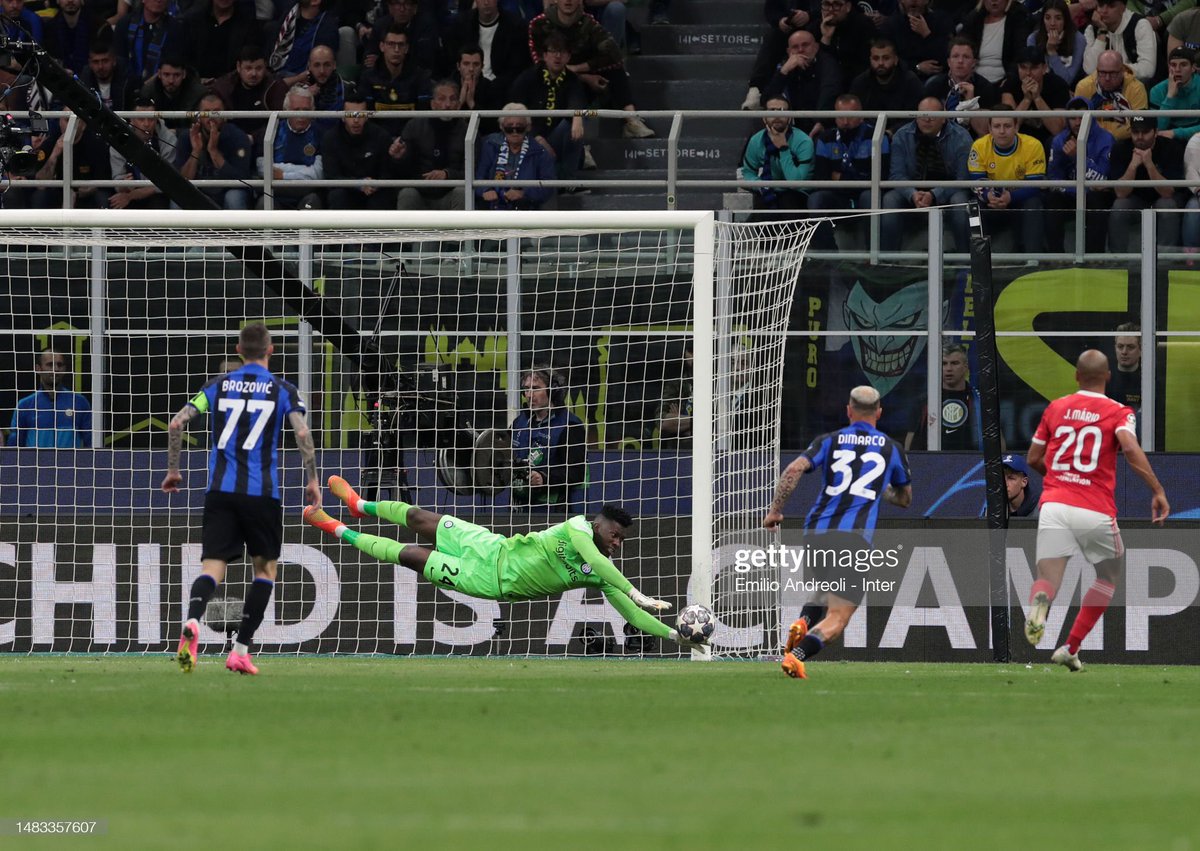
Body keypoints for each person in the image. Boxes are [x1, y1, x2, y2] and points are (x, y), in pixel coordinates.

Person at [304, 484, 708, 650]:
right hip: (491, 546)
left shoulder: (599, 571)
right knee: (421, 519)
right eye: (615, 535)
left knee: (411, 556)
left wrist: (676, 635)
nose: (617, 543)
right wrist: (637, 589)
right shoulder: (577, 529)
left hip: (486, 580)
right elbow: (597, 557)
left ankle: (337, 528)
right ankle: (361, 506)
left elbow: (632, 613)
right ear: (599, 524)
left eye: (621, 540)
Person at [163, 323, 321, 676]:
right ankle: (240, 651)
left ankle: (192, 619)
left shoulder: (217, 386)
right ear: (272, 349)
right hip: (261, 493)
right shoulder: (282, 389)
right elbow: (302, 432)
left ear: (238, 350)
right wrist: (312, 479)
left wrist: (173, 470)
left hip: (220, 491)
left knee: (213, 566)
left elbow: (176, 424)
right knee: (264, 570)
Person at [1023, 349, 1168, 671]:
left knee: (1048, 577)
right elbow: (1129, 448)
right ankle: (1071, 646)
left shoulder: (1056, 408)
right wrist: (1157, 490)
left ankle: (1041, 603)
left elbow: (1033, 458)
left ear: (1076, 376)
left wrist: (1061, 480)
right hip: (1094, 506)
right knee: (1109, 575)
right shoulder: (1120, 412)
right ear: (1108, 376)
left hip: (1055, 503)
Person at [763, 385, 912, 680]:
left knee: (823, 592)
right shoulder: (891, 448)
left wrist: (775, 511)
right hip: (853, 539)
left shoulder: (828, 441)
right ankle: (797, 655)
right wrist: (881, 491)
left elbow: (793, 470)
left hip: (815, 533)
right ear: (879, 413)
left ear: (848, 410)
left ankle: (803, 622)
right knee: (839, 616)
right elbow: (905, 498)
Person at [880, 95, 973, 253]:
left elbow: (962, 179)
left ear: (943, 117)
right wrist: (913, 194)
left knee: (961, 202)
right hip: (913, 190)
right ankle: (888, 260)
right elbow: (896, 175)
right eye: (923, 114)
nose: (927, 119)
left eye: (933, 115)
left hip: (949, 191)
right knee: (890, 199)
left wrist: (934, 194)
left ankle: (965, 260)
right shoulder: (902, 136)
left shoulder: (962, 137)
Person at [967, 107, 1047, 253]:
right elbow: (976, 182)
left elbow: (1035, 185)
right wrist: (987, 195)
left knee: (1034, 202)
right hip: (991, 200)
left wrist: (1011, 197)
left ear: (1016, 127)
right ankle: (977, 258)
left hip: (1020, 199)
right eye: (997, 126)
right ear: (990, 128)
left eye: (1007, 126)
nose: (1002, 131)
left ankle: (1033, 260)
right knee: (974, 205)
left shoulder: (1033, 145)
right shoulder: (979, 146)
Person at [510, 365, 587, 509]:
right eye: (526, 389)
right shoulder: (519, 422)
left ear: (553, 391)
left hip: (552, 512)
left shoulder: (570, 425)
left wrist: (543, 478)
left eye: (535, 388)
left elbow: (576, 473)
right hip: (518, 509)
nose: (529, 395)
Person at [1044, 97, 1114, 254]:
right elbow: (1054, 179)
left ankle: (1094, 257)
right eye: (1072, 118)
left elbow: (1102, 180)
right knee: (1052, 200)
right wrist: (1074, 191)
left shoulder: (1105, 139)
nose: (1077, 122)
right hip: (1070, 193)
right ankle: (1056, 257)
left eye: (1081, 117)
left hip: (1095, 193)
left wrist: (1078, 158)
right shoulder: (1060, 140)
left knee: (1097, 200)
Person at [1107, 115, 1187, 251]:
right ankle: (1117, 261)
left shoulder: (1172, 148)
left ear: (1155, 132)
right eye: (1135, 132)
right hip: (1136, 199)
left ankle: (1164, 263)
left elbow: (1168, 192)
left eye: (1145, 132)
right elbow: (1120, 193)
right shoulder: (1120, 148)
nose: (1139, 137)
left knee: (1166, 205)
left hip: (1164, 198)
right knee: (1120, 205)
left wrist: (1149, 165)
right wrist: (1133, 166)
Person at [391, 79, 468, 211]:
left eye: (452, 99)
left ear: (458, 104)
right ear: (432, 104)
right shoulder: (414, 126)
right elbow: (402, 172)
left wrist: (447, 174)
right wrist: (399, 158)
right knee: (407, 193)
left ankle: (459, 232)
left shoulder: (468, 131)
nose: (447, 105)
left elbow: (473, 172)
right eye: (442, 99)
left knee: (462, 192)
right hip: (420, 194)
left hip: (450, 194)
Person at [176, 92, 254, 210]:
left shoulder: (238, 136)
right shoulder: (187, 137)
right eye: (206, 112)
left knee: (234, 197)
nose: (211, 116)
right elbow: (182, 182)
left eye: (216, 111)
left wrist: (213, 151)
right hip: (198, 191)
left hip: (228, 191)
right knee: (177, 197)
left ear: (224, 115)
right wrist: (196, 151)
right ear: (198, 116)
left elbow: (241, 180)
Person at [739, 94, 814, 212]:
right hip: (769, 189)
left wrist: (783, 148)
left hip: (797, 193)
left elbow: (795, 183)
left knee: (788, 202)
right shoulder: (756, 140)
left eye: (782, 110)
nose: (777, 115)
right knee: (762, 213)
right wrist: (761, 185)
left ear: (789, 117)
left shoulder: (804, 141)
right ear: (764, 117)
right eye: (772, 110)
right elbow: (748, 172)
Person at [475, 104, 557, 210]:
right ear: (502, 127)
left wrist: (523, 193)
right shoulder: (490, 145)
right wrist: (485, 190)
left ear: (528, 127)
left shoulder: (539, 151)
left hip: (525, 210)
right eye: (509, 127)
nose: (514, 132)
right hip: (493, 208)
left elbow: (548, 187)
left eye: (519, 127)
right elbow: (478, 176)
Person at [7, 347, 92, 448]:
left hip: (71, 463)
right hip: (35, 463)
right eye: (50, 364)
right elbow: (14, 448)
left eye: (60, 365)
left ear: (65, 369)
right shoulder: (24, 405)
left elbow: (90, 443)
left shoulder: (79, 402)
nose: (56, 369)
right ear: (38, 369)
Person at [905, 343, 983, 450]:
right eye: (944, 363)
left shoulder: (980, 400)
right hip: (931, 463)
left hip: (972, 463)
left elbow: (997, 440)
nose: (949, 368)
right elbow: (910, 441)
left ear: (966, 367)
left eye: (955, 363)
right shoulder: (924, 401)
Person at [259, 85, 324, 210]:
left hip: (307, 193)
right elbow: (263, 169)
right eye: (296, 109)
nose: (301, 115)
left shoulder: (321, 134)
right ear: (286, 110)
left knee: (312, 203)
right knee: (263, 203)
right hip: (275, 193)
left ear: (313, 111)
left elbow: (317, 174)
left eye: (306, 110)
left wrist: (283, 175)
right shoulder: (271, 130)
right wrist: (303, 170)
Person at [109, 96, 176, 210]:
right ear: (132, 120)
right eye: (141, 119)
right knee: (113, 204)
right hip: (130, 191)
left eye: (151, 119)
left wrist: (131, 196)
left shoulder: (169, 139)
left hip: (157, 194)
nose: (146, 124)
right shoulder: (119, 140)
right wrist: (123, 186)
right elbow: (117, 180)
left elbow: (167, 182)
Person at [1073, 49, 1148, 142]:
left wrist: (1102, 132)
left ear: (1123, 70)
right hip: (1091, 140)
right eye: (1103, 73)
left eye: (1113, 73)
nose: (1107, 78)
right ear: (1097, 70)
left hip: (1125, 141)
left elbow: (1138, 124)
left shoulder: (1136, 88)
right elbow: (1078, 123)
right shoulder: (1084, 87)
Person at [1082, 0, 1157, 85]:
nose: (1104, 10)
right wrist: (1102, 31)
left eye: (1111, 6)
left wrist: (1112, 71)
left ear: (1123, 7)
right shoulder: (1092, 29)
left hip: (1136, 86)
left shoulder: (1140, 24)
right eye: (1101, 5)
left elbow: (1147, 70)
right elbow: (1090, 70)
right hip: (1104, 88)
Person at [1028, 0, 1085, 87]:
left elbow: (1066, 81)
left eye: (1058, 18)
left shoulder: (1078, 39)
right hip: (1040, 88)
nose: (1052, 23)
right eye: (1047, 18)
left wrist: (1051, 52)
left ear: (1065, 20)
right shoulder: (1033, 38)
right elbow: (1031, 74)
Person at [1149, 47, 1200, 143]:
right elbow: (1158, 129)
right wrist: (1170, 96)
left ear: (1193, 68)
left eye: (1183, 65)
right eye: (1173, 65)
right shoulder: (1156, 91)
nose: (1177, 69)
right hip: (1168, 140)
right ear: (1168, 67)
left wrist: (1176, 133)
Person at [1106, 321, 1142, 411]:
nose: (1124, 352)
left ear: (1141, 350)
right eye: (1120, 346)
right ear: (1115, 348)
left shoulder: (1148, 382)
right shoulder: (1105, 380)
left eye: (1130, 347)